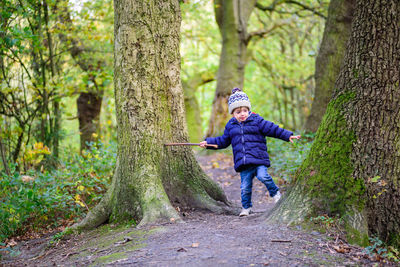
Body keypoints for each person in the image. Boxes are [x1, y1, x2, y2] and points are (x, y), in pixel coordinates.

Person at [200, 88, 301, 217]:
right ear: (232, 113)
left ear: (248, 110)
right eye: (238, 112)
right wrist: (208, 143)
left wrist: (287, 135)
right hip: (244, 163)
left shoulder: (257, 121)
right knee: (245, 187)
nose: (242, 114)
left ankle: (276, 194)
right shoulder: (230, 126)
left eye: (245, 111)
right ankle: (246, 208)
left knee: (263, 176)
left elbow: (273, 129)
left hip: (259, 159)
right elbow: (223, 141)